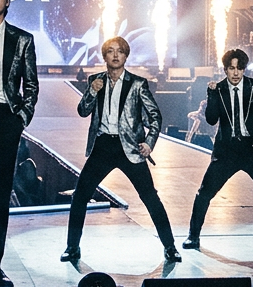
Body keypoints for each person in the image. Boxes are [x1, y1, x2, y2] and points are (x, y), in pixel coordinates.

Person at [63, 36, 182, 266]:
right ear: (104, 56)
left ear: (126, 56)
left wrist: (149, 142)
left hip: (131, 148)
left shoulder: (138, 84)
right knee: (80, 196)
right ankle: (72, 247)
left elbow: (155, 116)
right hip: (103, 146)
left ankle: (170, 247)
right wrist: (91, 92)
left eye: (120, 51)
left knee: (150, 197)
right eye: (110, 51)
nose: (115, 55)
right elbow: (82, 111)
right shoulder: (95, 80)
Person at [183, 48, 253, 251]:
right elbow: (211, 119)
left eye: (239, 68)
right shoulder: (218, 89)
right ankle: (193, 237)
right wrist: (211, 95)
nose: (235, 73)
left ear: (244, 69)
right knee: (204, 193)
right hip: (226, 152)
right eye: (231, 68)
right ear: (225, 69)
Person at [0, 0, 39, 287]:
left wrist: (21, 118)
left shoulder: (22, 39)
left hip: (6, 119)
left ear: (8, 0)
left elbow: (31, 86)